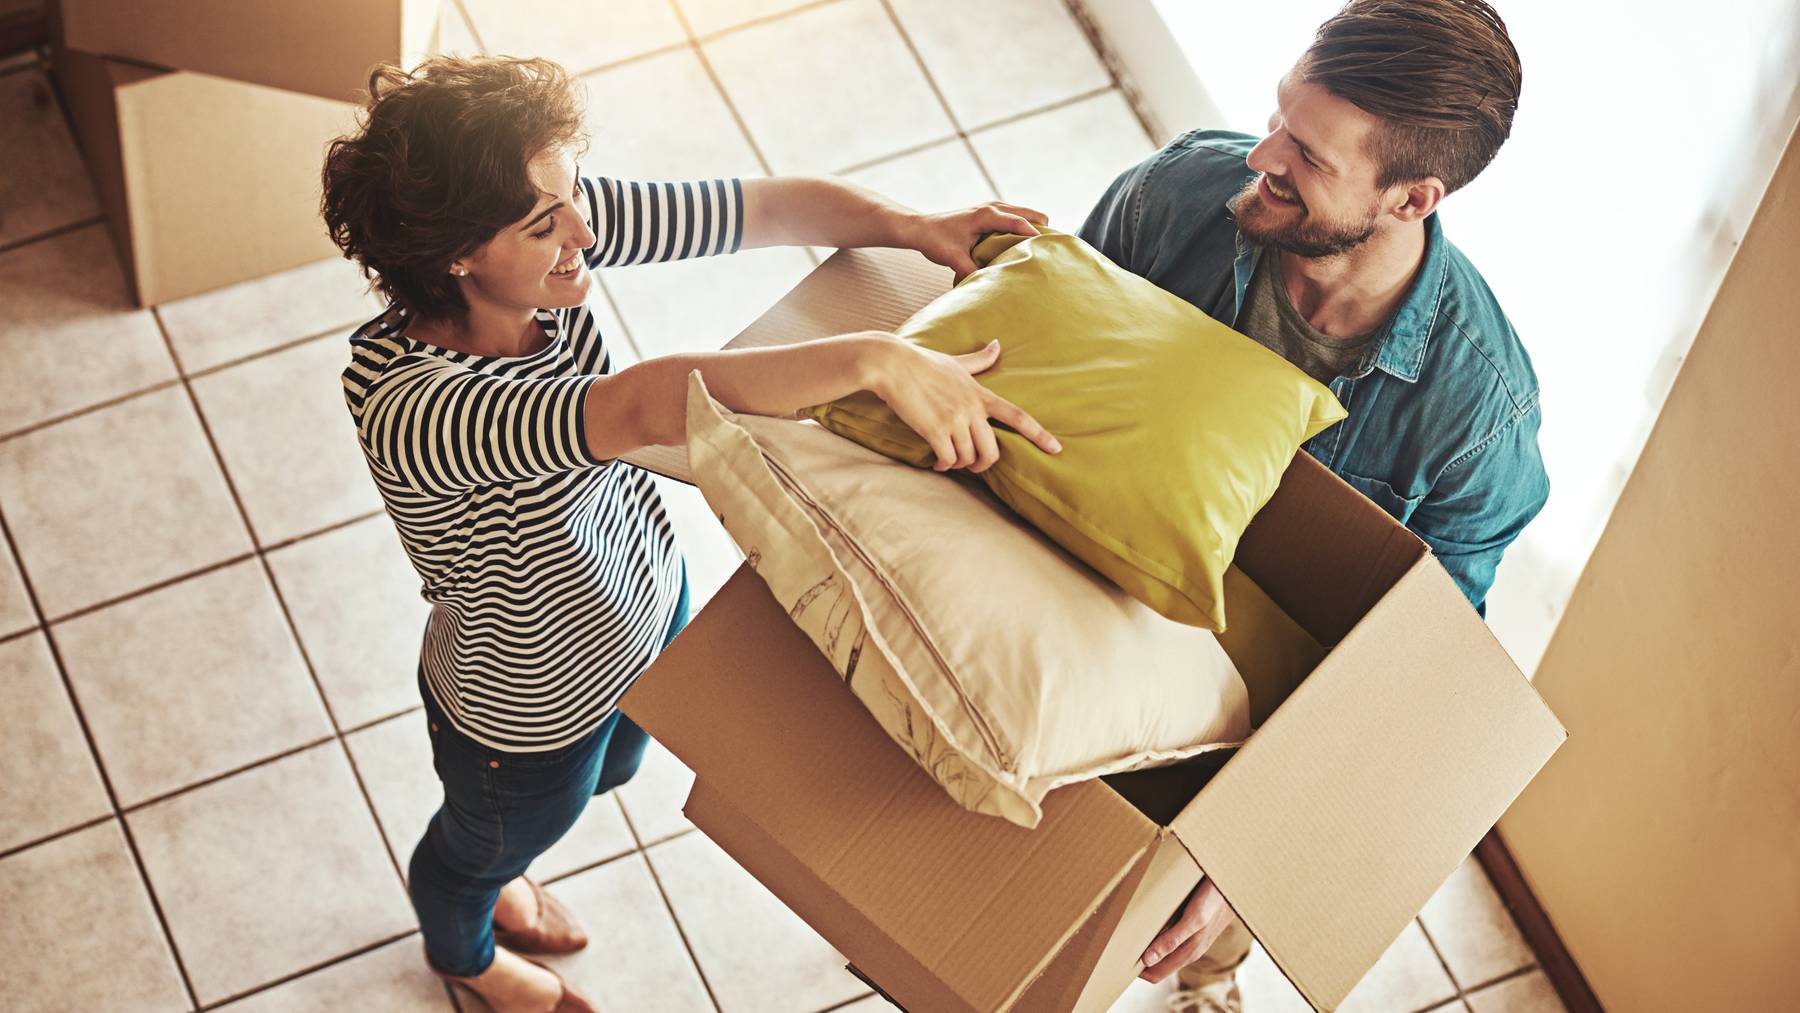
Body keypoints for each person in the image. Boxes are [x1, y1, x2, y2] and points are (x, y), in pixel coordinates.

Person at [320, 54, 1060, 1013]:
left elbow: (759, 208)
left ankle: (511, 856)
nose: (582, 232)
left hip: (639, 605)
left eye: (573, 198)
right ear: (456, 254)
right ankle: (467, 946)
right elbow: (639, 406)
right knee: (486, 840)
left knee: (618, 768)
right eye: (544, 224)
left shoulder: (550, 244)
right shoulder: (418, 405)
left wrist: (910, 226)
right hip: (524, 703)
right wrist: (875, 359)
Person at [1079, 2, 1548, 1010]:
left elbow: (1404, 666)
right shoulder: (1179, 198)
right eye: (1279, 120)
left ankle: (1208, 977)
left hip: (1254, 688)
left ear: (1412, 197)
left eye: (1307, 155)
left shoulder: (1475, 421)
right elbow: (1057, 350)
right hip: (1090, 579)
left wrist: (1249, 856)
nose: (1260, 157)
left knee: (1196, 918)